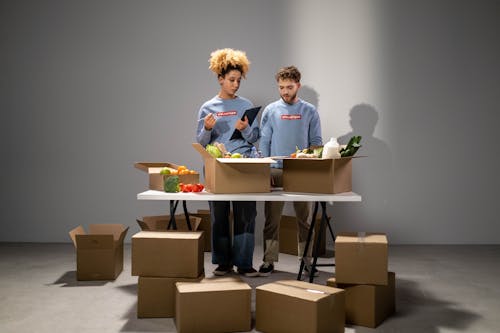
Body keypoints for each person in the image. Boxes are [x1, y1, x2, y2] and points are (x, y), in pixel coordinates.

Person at [196, 48, 260, 277]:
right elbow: (202, 143)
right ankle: (223, 262)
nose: (235, 85)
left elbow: (254, 138)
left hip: (243, 165)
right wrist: (208, 128)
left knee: (246, 214)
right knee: (219, 214)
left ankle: (244, 263)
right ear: (220, 79)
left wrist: (246, 130)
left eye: (238, 81)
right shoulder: (207, 107)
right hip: (217, 167)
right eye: (231, 80)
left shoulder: (246, 104)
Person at [258, 66, 323, 277]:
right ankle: (268, 260)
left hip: (301, 172)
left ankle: (305, 260)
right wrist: (265, 169)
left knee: (304, 220)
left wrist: (310, 163)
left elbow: (316, 144)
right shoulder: (271, 110)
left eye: (289, 87)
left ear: (298, 86)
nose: (285, 91)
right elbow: (265, 142)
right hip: (275, 170)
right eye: (281, 87)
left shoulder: (310, 111)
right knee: (271, 219)